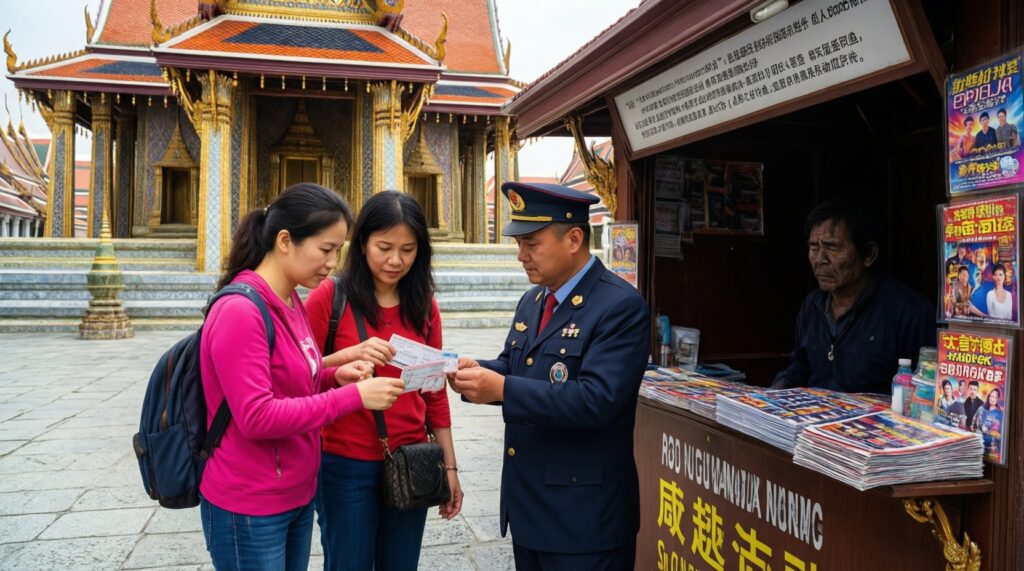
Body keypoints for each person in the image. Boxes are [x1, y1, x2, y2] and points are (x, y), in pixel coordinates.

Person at [199, 183, 405, 571]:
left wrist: (335, 376)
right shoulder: (241, 312)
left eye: (338, 251)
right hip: (250, 500)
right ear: (284, 240)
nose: (332, 263)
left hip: (294, 491)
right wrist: (355, 398)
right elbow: (258, 416)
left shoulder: (292, 300)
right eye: (325, 250)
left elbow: (296, 379)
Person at [450, 182, 650, 570]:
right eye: (518, 244)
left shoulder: (620, 307)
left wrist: (503, 388)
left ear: (574, 238)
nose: (521, 256)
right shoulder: (534, 299)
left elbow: (596, 400)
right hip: (529, 509)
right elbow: (514, 365)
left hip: (584, 519)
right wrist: (475, 373)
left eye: (532, 243)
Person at [305, 191, 463, 571]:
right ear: (362, 244)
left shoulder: (424, 304)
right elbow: (297, 374)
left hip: (412, 459)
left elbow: (435, 392)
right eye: (384, 247)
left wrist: (450, 469)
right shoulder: (332, 297)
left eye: (407, 250)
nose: (395, 260)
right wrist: (346, 360)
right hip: (344, 464)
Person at [772, 200, 935, 394]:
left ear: (869, 255)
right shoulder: (812, 305)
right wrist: (772, 394)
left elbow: (925, 388)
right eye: (814, 247)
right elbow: (800, 367)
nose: (819, 259)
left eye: (833, 248)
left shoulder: (909, 312)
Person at [973, 387, 1004, 461]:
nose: (992, 399)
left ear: (998, 399)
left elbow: (999, 434)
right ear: (989, 396)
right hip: (976, 444)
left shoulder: (999, 414)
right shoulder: (981, 408)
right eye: (991, 396)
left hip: (989, 448)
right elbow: (973, 424)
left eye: (995, 397)